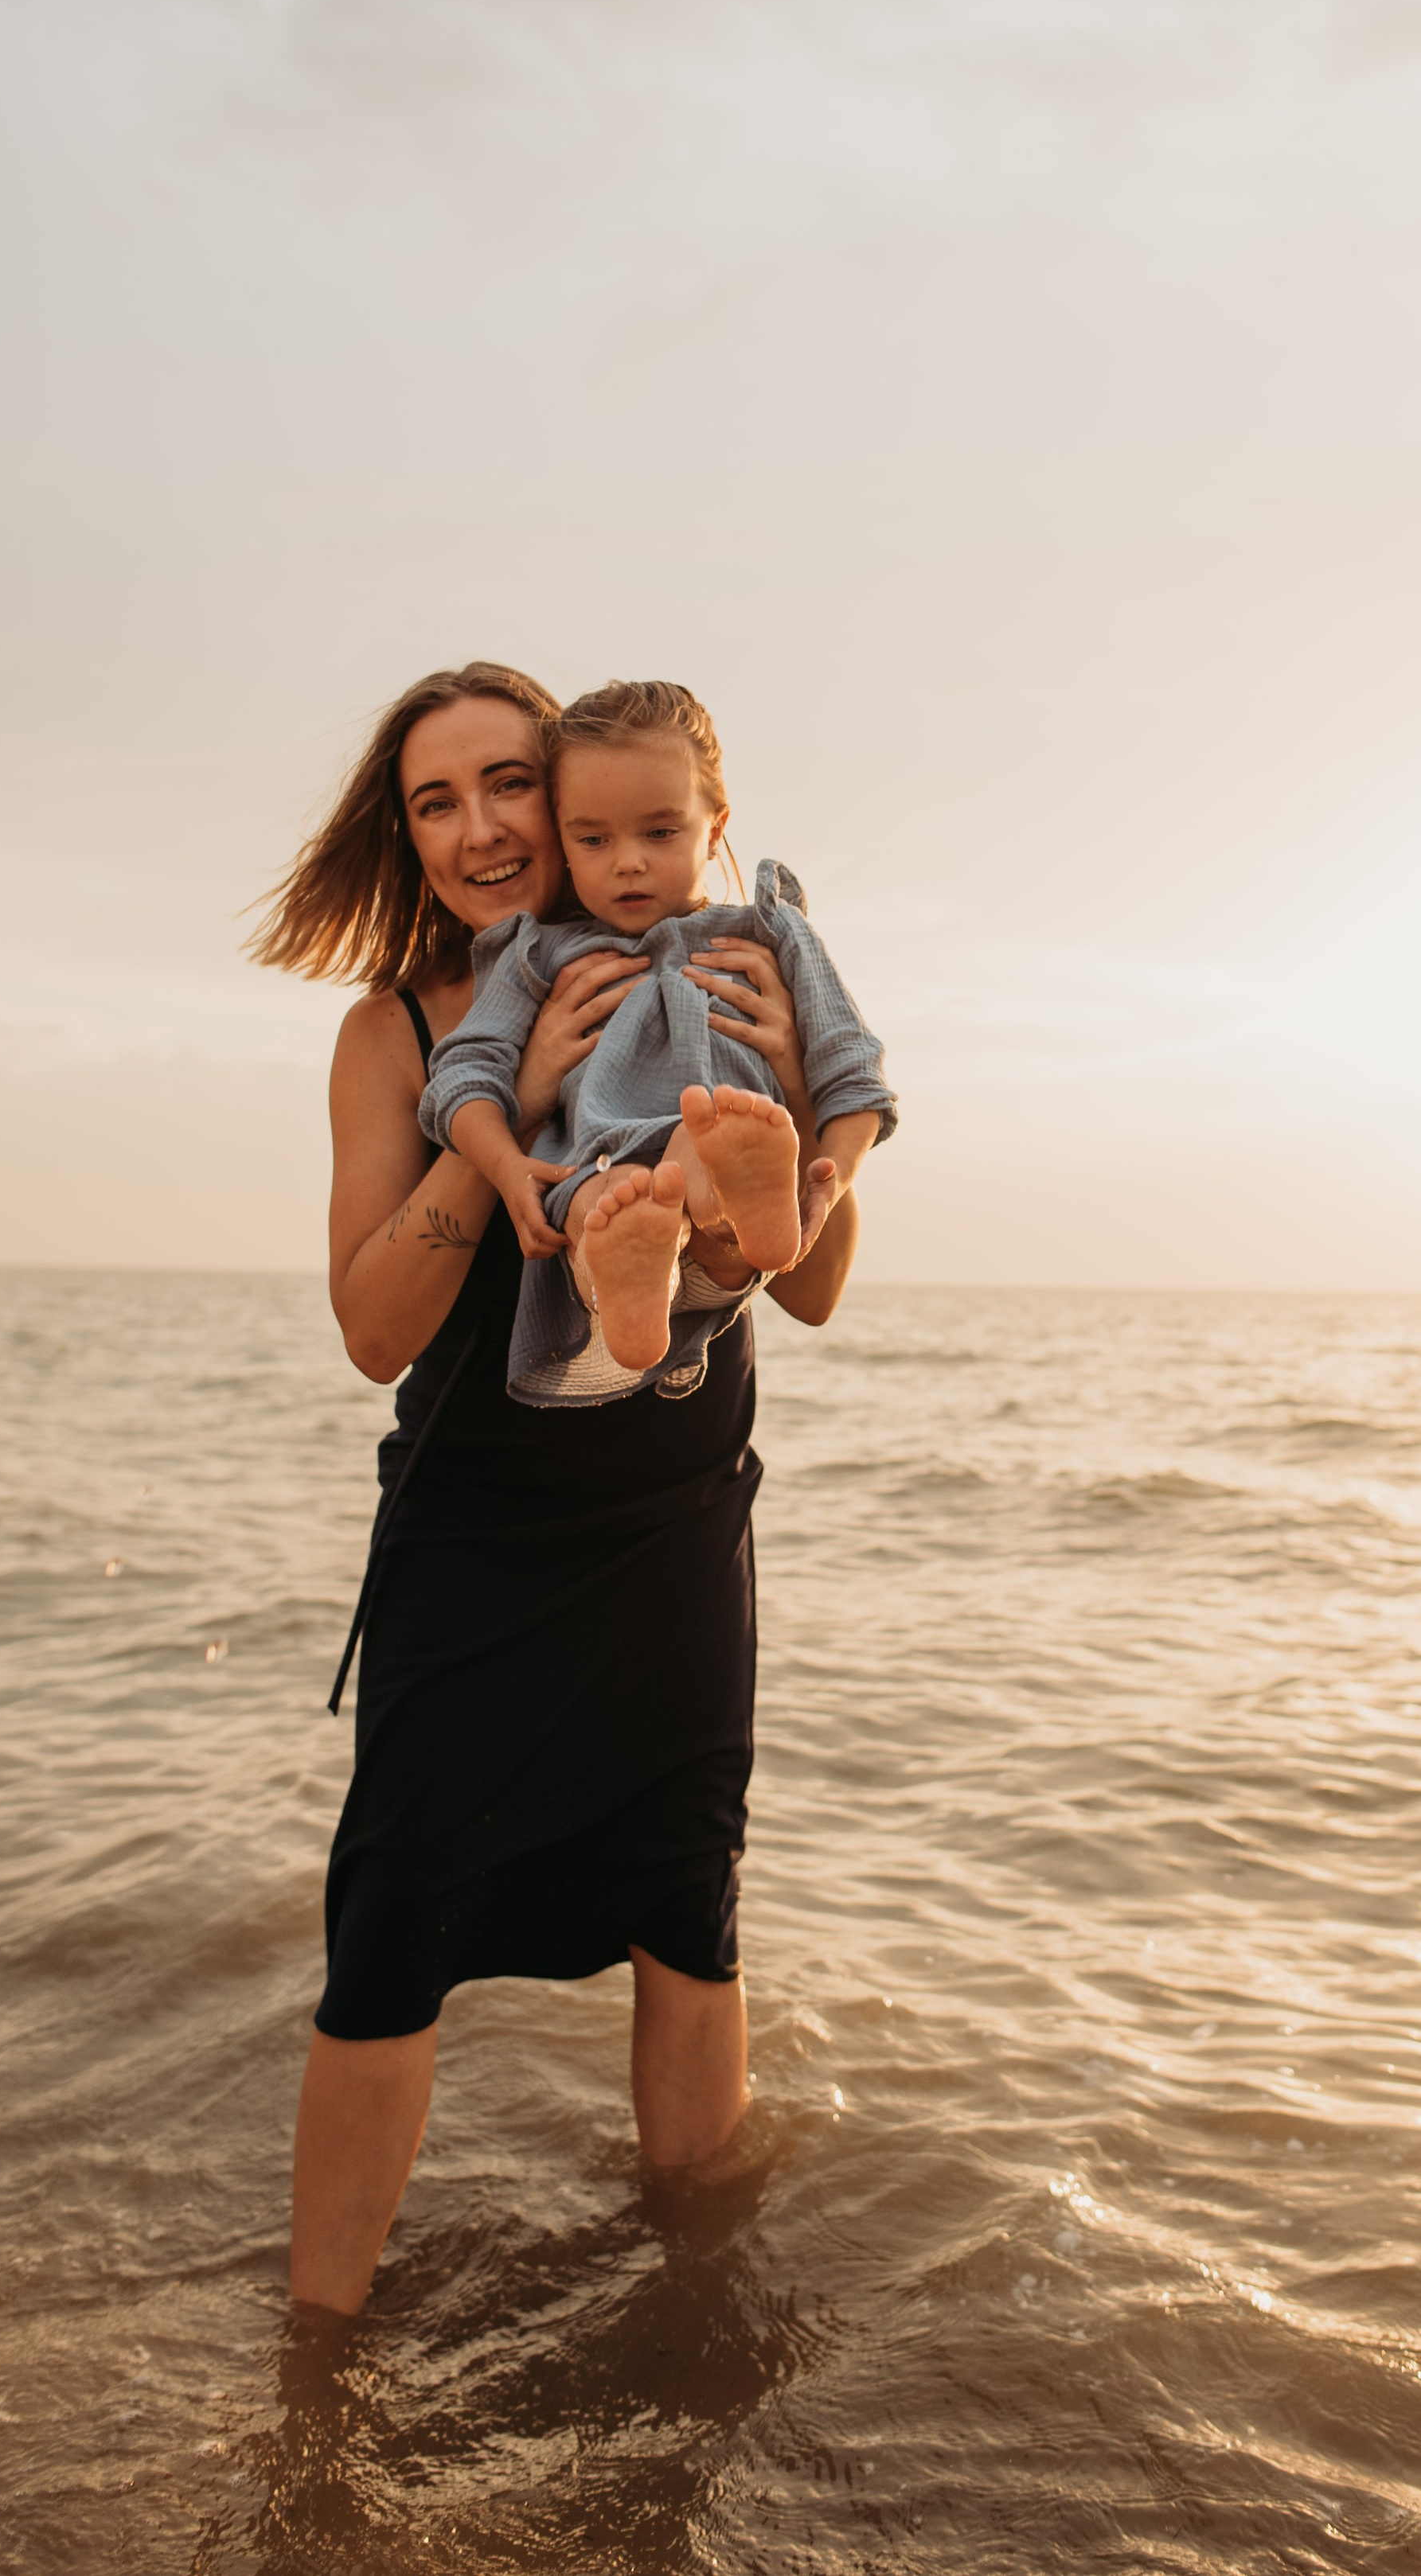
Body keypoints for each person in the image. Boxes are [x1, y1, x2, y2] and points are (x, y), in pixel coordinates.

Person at [249, 660, 864, 2317]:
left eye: (503, 786)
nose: (476, 830)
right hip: (469, 1538)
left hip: (670, 1524)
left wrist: (798, 1099)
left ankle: (695, 2300)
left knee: (686, 1897)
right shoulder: (387, 1035)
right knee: (392, 1931)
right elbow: (374, 1333)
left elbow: (805, 1288)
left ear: (569, 797)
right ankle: (319, 2358)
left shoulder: (702, 964)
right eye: (432, 802)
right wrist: (497, 1119)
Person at [424, 677, 892, 1396]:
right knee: (602, 1202)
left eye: (660, 831)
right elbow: (464, 1075)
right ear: (563, 837)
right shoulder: (539, 957)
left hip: (720, 1203)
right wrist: (506, 1166)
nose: (629, 860)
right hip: (598, 1173)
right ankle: (632, 1283)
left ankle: (721, 1197)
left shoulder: (771, 935)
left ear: (717, 825)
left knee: (703, 1155)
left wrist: (831, 1180)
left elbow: (852, 1069)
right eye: (593, 838)